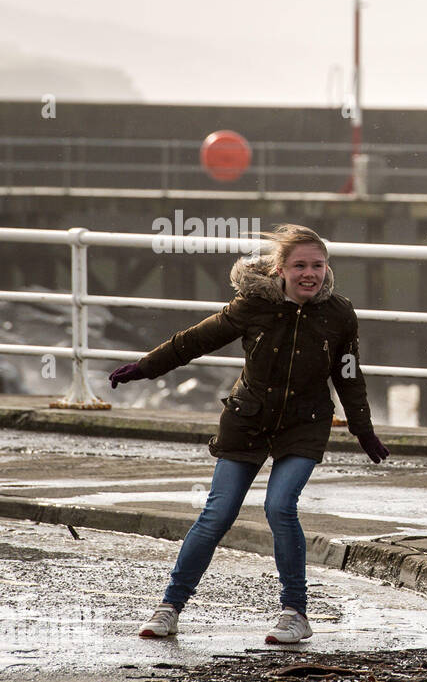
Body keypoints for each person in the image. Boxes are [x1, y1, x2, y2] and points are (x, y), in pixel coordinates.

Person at [111, 224, 390, 642]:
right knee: (216, 515)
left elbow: (349, 376)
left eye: (317, 265)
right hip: (247, 419)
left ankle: (295, 613)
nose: (309, 274)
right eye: (299, 266)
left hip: (304, 423)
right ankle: (169, 607)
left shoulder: (339, 314)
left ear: (327, 267)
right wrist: (145, 368)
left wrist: (363, 430)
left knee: (280, 507)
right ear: (281, 269)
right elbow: (195, 341)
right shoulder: (253, 304)